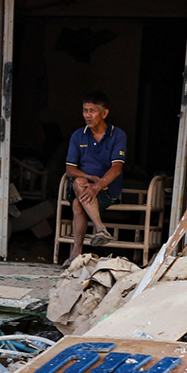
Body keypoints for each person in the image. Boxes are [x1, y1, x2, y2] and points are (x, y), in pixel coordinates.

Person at [64, 90, 126, 262]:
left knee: (78, 204)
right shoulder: (78, 135)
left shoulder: (117, 135)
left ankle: (75, 255)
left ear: (104, 113)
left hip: (107, 188)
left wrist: (98, 186)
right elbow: (70, 169)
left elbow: (117, 168)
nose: (87, 115)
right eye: (85, 111)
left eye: (92, 111)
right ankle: (100, 228)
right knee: (79, 180)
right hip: (84, 184)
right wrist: (91, 179)